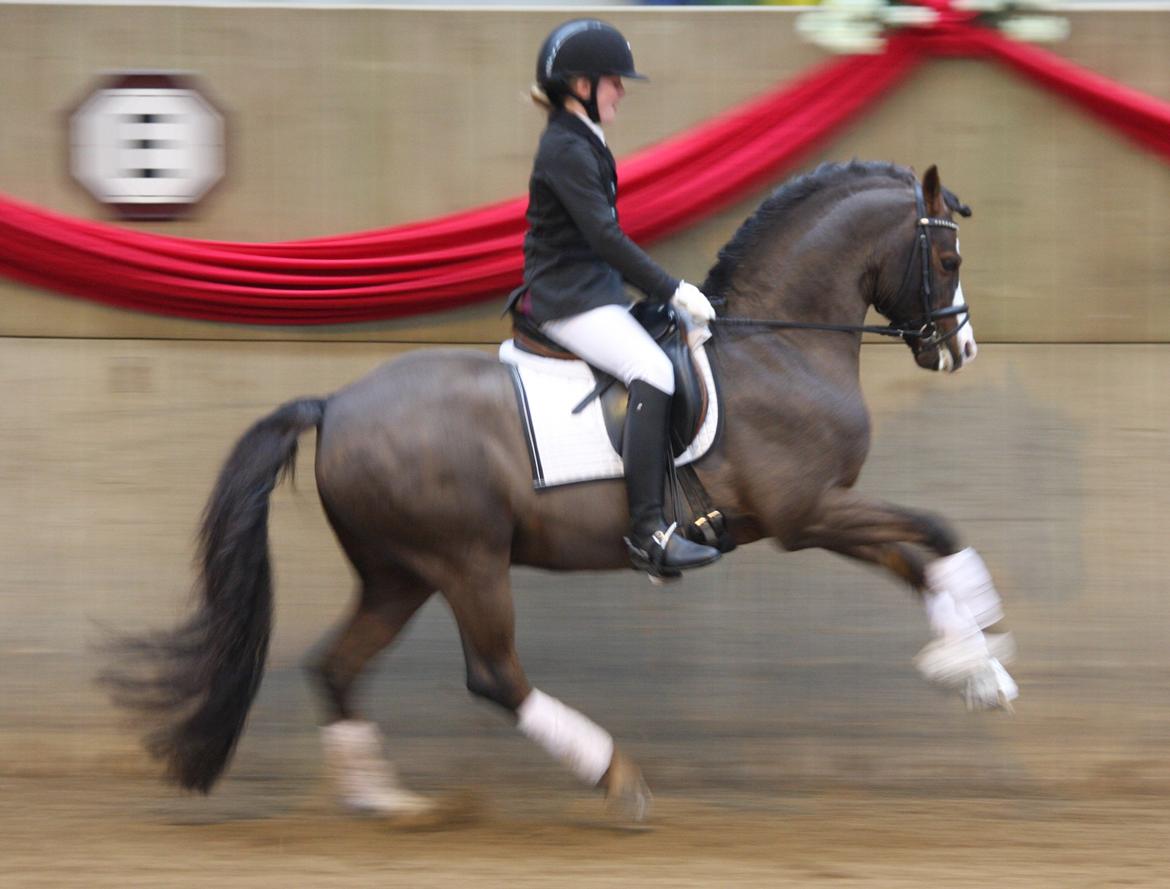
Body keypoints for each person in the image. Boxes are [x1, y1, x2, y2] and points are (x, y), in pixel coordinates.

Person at [520, 18, 721, 577]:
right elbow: (605, 238)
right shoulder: (565, 146)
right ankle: (647, 532)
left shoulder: (582, 137)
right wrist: (673, 288)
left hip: (593, 290)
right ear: (579, 84)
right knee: (652, 370)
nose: (622, 89)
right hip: (569, 300)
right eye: (613, 80)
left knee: (678, 337)